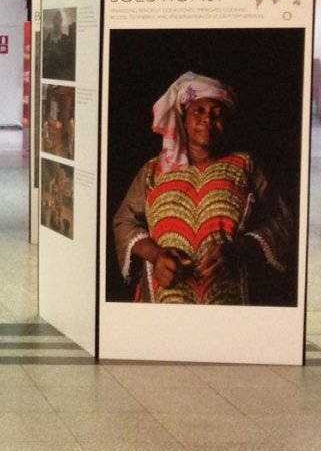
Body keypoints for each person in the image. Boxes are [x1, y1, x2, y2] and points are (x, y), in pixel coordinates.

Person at [112, 71, 292, 305]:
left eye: (217, 114)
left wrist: (237, 250)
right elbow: (124, 221)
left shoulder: (245, 165)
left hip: (229, 300)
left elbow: (281, 221)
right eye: (199, 111)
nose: (208, 119)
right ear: (183, 119)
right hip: (164, 298)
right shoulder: (154, 169)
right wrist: (156, 256)